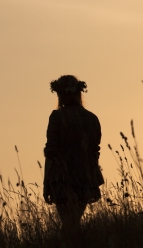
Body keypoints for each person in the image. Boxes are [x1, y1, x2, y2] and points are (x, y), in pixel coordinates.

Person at [43, 75, 104, 233]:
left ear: (60, 95)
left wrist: (46, 183)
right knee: (74, 220)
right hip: (84, 176)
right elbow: (94, 151)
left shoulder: (57, 117)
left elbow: (51, 152)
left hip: (61, 177)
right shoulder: (92, 119)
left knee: (69, 223)